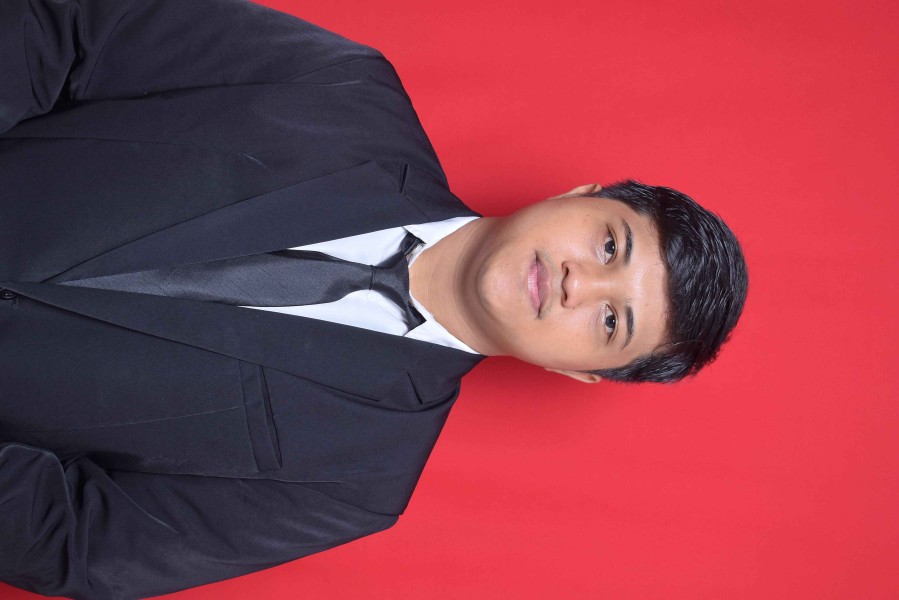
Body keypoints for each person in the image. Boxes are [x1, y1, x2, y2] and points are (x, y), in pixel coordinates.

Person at [0, 1, 748, 598]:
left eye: (611, 320)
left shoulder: (357, 483)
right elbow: (72, 28)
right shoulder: (343, 89)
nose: (579, 282)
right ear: (581, 195)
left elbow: (83, 546)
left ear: (579, 372)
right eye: (610, 246)